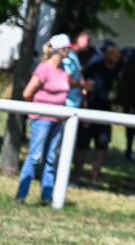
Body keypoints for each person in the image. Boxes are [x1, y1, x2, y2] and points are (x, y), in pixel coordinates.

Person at [16, 34, 72, 204]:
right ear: (60, 50)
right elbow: (27, 94)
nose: (69, 51)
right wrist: (36, 112)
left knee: (50, 159)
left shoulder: (63, 69)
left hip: (57, 120)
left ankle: (47, 197)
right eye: (67, 48)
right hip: (42, 120)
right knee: (34, 156)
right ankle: (21, 195)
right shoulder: (44, 68)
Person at [73, 45, 122, 188]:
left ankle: (94, 180)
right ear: (105, 58)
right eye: (110, 61)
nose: (113, 65)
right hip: (90, 111)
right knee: (82, 146)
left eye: (115, 62)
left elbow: (117, 89)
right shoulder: (95, 68)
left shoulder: (117, 71)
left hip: (106, 112)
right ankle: (76, 177)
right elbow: (84, 91)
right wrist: (85, 111)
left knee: (102, 147)